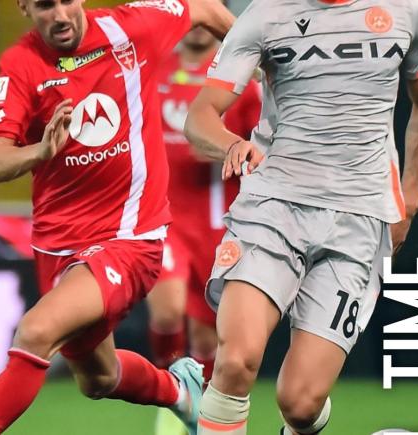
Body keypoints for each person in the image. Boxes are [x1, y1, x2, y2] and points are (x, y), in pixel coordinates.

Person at [0, 0, 237, 433]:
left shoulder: (132, 28)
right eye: (45, 5)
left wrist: (254, 61)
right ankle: (181, 392)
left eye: (67, 0)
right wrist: (41, 151)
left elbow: (201, 8)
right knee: (98, 378)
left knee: (34, 332)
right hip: (57, 246)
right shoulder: (19, 64)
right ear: (24, 8)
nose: (61, 14)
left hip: (129, 237)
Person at [184, 1, 418, 434]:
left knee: (300, 404)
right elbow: (200, 115)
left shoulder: (407, 10)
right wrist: (231, 144)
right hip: (272, 209)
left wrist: (410, 198)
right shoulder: (265, 15)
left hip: (358, 220)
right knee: (234, 360)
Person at [147, 25, 262, 435]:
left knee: (207, 337)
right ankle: (167, 394)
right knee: (165, 308)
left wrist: (221, 146)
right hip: (163, 216)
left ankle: (202, 409)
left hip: (217, 222)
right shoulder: (156, 67)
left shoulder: (240, 78)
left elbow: (259, 144)